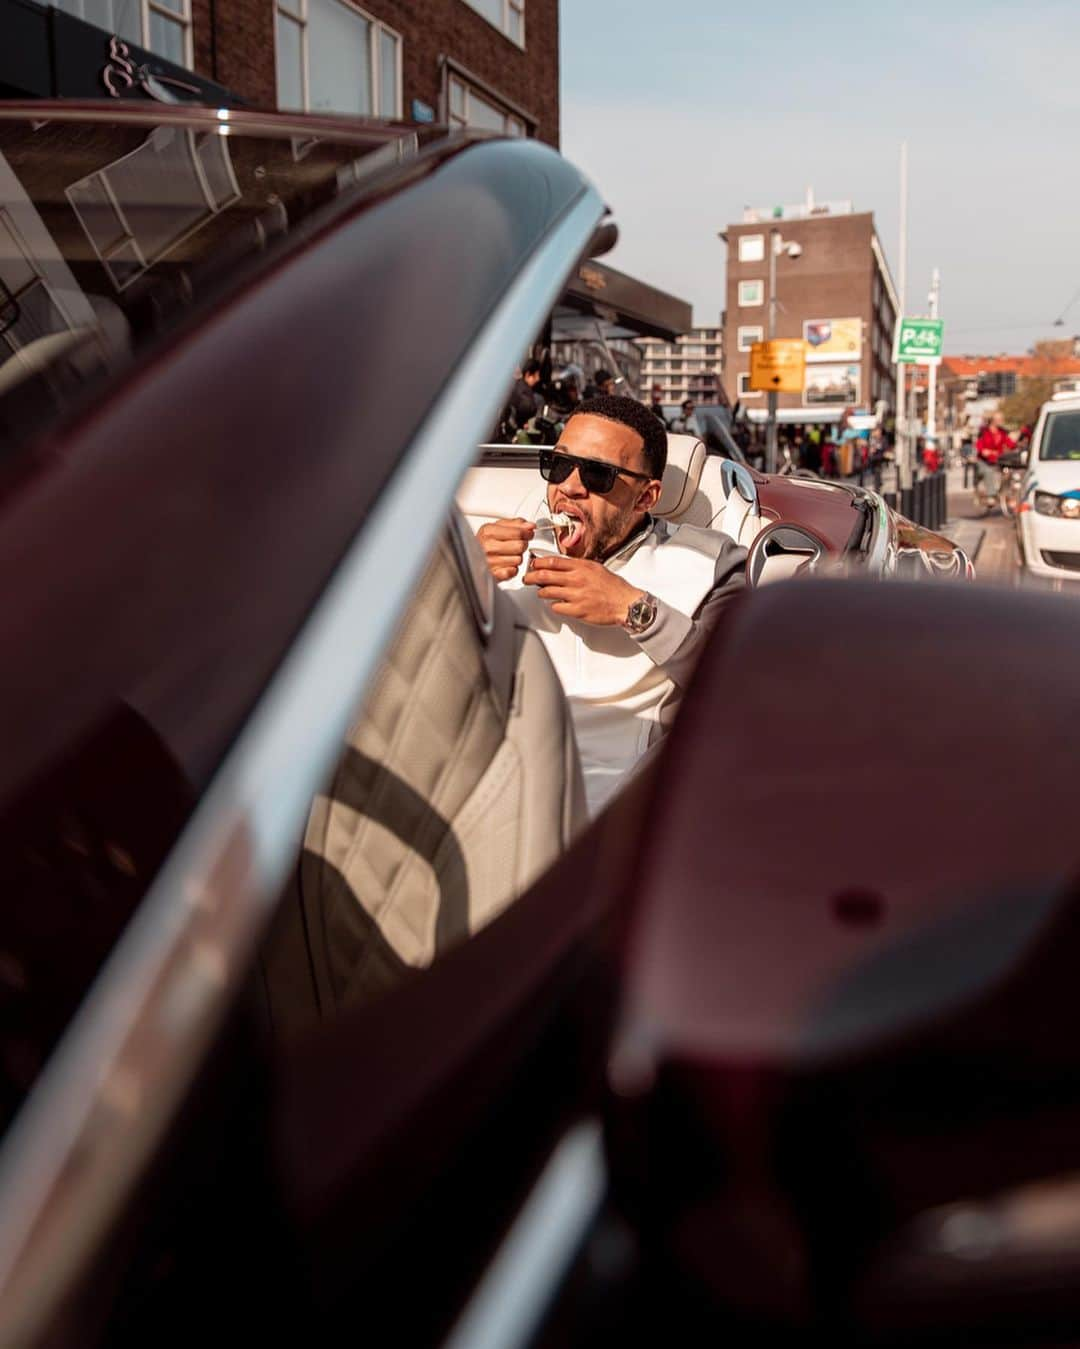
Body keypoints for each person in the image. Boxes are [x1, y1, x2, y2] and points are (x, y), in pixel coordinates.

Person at [476, 395, 745, 814]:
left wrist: (634, 610)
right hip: (493, 777)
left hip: (617, 809)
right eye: (560, 464)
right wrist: (459, 577)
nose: (569, 487)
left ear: (645, 497)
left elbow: (740, 687)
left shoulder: (710, 561)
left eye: (598, 474)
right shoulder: (502, 544)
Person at [498, 358, 542, 441]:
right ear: (528, 375)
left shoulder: (516, 388)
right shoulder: (524, 392)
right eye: (537, 375)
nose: (538, 379)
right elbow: (528, 408)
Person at [975, 411, 1015, 500]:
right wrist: (987, 452)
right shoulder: (984, 432)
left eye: (1002, 419)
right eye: (999, 419)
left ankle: (1006, 494)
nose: (1001, 421)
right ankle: (991, 496)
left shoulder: (1002, 432)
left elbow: (1010, 443)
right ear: (993, 420)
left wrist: (1018, 445)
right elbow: (979, 447)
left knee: (1009, 472)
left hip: (998, 460)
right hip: (984, 461)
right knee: (988, 472)